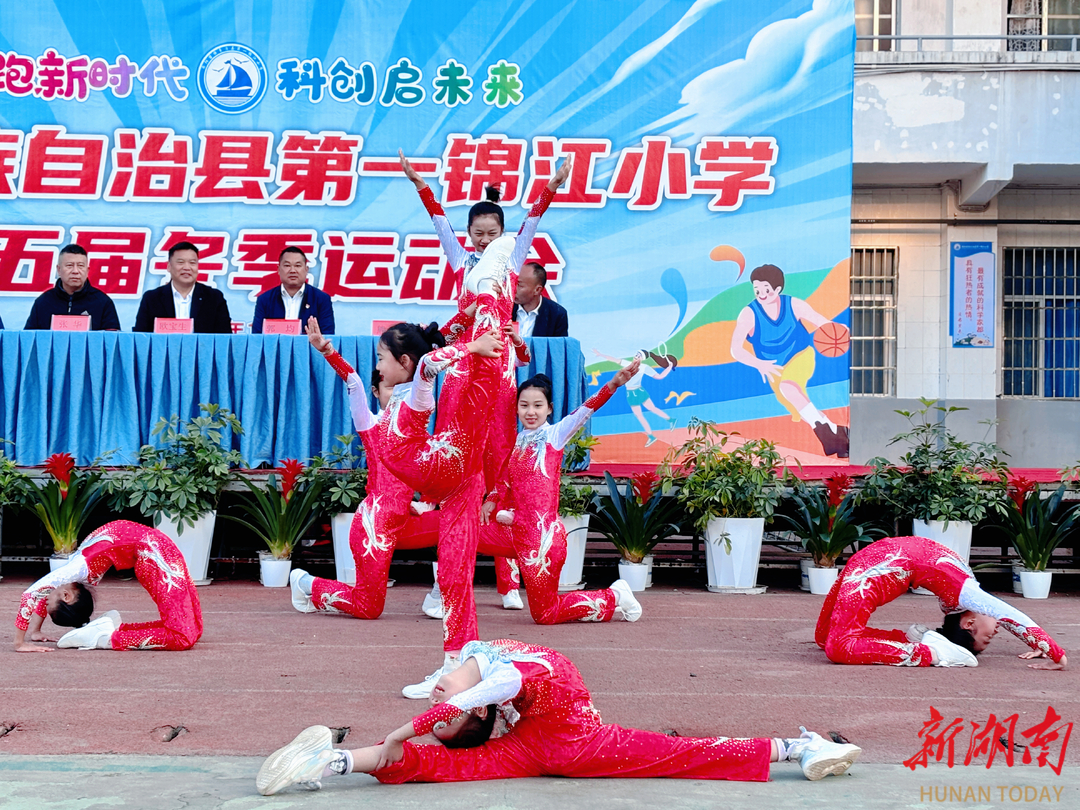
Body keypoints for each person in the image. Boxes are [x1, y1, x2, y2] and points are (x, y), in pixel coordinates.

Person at [256, 638, 862, 795]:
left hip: (577, 743)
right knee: (439, 766)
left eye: (439, 713)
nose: (438, 706)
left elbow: (460, 700)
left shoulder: (484, 669)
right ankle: (329, 762)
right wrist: (398, 739)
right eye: (446, 718)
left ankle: (799, 748)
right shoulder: (482, 671)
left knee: (682, 754)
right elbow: (454, 704)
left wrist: (405, 728)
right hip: (546, 745)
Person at [400, 150, 570, 606]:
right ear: (469, 234)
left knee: (497, 469)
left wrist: (552, 187)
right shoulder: (462, 262)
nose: (483, 240)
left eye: (492, 233)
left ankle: (508, 581)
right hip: (462, 371)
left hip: (499, 378)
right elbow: (438, 221)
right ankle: (442, 584)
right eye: (477, 233)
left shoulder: (511, 263)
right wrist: (420, 184)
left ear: (502, 235)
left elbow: (533, 220)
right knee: (455, 467)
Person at [477, 369, 644, 626]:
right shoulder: (520, 439)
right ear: (517, 408)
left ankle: (614, 596)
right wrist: (492, 499)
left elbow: (586, 410)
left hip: (542, 542)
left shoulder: (554, 435)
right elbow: (505, 477)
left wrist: (613, 384)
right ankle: (444, 596)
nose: (530, 412)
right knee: (465, 534)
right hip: (515, 531)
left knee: (545, 614)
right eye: (524, 405)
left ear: (549, 409)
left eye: (537, 405)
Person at [815, 536, 1067, 669]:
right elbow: (1008, 614)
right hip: (879, 562)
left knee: (833, 643)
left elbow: (1007, 617)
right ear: (969, 623)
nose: (997, 630)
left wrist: (1039, 643)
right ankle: (930, 650)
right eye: (988, 637)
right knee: (832, 642)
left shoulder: (957, 604)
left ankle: (925, 649)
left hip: (879, 563)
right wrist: (1056, 653)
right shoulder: (968, 594)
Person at [14, 520, 203, 652]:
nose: (44, 603)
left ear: (66, 596)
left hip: (156, 549)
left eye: (46, 605)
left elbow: (31, 595)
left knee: (193, 630)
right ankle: (108, 638)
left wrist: (20, 642)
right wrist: (34, 632)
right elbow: (43, 594)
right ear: (66, 597)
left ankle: (108, 632)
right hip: (154, 551)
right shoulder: (72, 575)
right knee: (183, 636)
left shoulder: (73, 571)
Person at [730, 264, 848, 458]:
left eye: (766, 289)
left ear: (777, 289)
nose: (761, 294)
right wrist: (759, 364)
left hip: (800, 355)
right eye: (757, 290)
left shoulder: (793, 304)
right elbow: (735, 349)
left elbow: (819, 321)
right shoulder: (749, 314)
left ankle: (830, 436)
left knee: (789, 388)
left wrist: (838, 329)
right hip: (773, 367)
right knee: (797, 402)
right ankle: (837, 432)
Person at [133, 241, 232, 333]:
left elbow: (224, 337)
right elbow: (140, 337)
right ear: (169, 266)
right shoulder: (152, 299)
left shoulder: (214, 298)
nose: (187, 268)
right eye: (180, 262)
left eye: (192, 263)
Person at [592, 349, 678, 447]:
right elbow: (614, 359)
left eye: (639, 355)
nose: (636, 356)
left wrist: (669, 366)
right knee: (639, 415)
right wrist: (601, 354)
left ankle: (671, 420)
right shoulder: (627, 364)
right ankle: (651, 436)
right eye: (637, 354)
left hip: (639, 391)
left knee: (652, 408)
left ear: (642, 358)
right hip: (630, 393)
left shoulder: (644, 367)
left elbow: (659, 376)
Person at [24, 244, 121, 331]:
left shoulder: (103, 303)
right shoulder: (43, 303)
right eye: (69, 265)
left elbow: (112, 340)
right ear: (59, 270)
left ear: (87, 270)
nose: (75, 271)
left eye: (80, 266)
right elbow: (29, 339)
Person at [251, 247, 335, 335]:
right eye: (287, 265)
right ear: (278, 269)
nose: (292, 270)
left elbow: (327, 336)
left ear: (306, 270)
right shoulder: (265, 300)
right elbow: (257, 337)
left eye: (298, 266)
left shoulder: (321, 299)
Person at [512, 262, 568, 338]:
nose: (513, 288)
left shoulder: (557, 314)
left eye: (519, 285)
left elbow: (558, 345)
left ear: (537, 290)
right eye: (513, 283)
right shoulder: (504, 308)